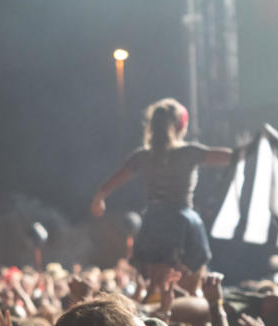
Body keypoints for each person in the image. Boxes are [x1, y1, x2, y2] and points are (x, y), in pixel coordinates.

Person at [90, 98, 249, 300]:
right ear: (180, 126)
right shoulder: (189, 152)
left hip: (153, 225)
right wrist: (256, 146)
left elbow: (109, 184)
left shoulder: (141, 157)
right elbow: (233, 157)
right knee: (192, 289)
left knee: (155, 288)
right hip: (183, 224)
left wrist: (99, 198)